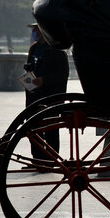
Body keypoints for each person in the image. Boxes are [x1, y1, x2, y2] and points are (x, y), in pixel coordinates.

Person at [23, 23, 70, 161]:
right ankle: (37, 158)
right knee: (32, 127)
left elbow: (62, 74)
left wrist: (44, 80)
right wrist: (28, 81)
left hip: (50, 96)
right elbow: (29, 70)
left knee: (51, 128)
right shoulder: (34, 48)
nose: (35, 33)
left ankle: (51, 159)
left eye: (37, 30)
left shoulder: (58, 51)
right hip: (33, 96)